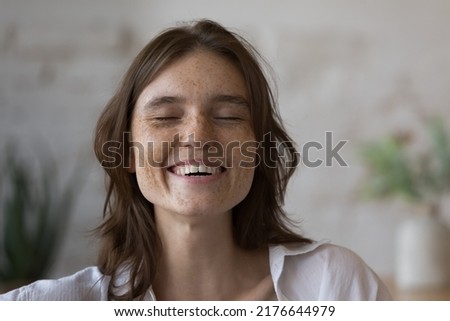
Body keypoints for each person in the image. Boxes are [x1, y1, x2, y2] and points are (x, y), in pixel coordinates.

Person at [0, 19, 391, 301]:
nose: (199, 136)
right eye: (166, 117)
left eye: (228, 116)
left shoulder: (335, 287)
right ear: (128, 153)